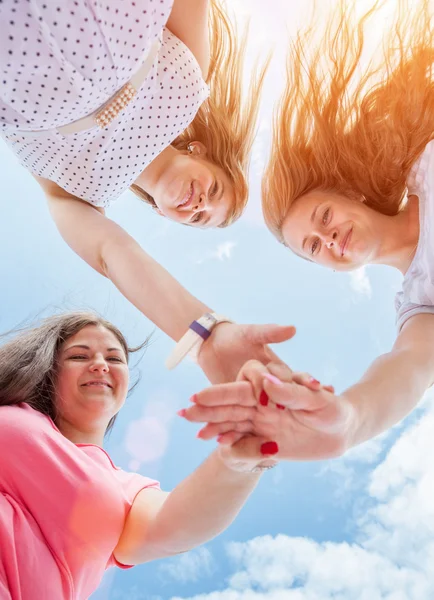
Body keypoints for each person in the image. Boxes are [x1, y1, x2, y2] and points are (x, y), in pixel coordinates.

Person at [177, 0, 434, 461]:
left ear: (350, 195)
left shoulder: (425, 162)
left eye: (324, 219)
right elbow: (408, 367)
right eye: (314, 246)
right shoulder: (420, 303)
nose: (329, 238)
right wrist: (349, 421)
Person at [0, 0, 283, 385]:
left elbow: (114, 254)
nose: (201, 203)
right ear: (197, 151)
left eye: (200, 216)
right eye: (214, 189)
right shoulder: (192, 79)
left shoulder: (80, 197)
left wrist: (207, 335)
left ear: (164, 214)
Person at [0, 311, 280, 600]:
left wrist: (242, 457)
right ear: (49, 369)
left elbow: (177, 524)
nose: (100, 365)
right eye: (79, 356)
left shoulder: (125, 488)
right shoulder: (13, 411)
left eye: (114, 359)